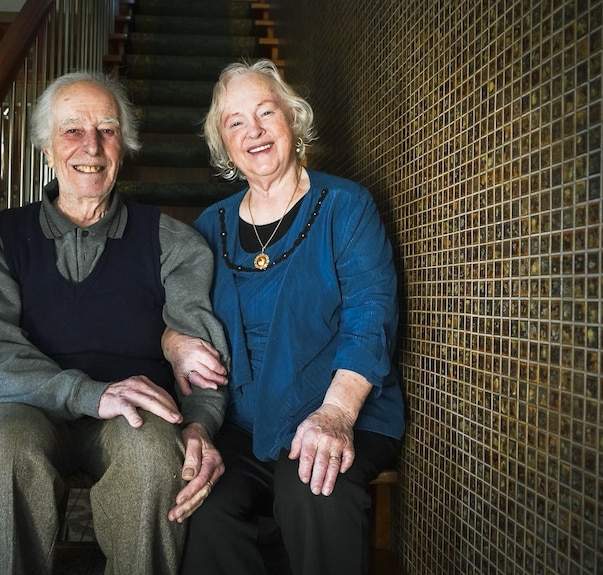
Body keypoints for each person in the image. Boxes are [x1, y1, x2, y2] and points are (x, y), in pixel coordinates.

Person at [0, 70, 231, 575]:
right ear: (46, 148)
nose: (92, 145)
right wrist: (90, 393)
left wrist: (201, 423)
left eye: (107, 129)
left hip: (135, 409)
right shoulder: (0, 241)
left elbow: (200, 351)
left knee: (155, 456)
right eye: (72, 130)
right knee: (2, 452)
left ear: (123, 146)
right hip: (29, 406)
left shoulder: (173, 243)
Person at [177, 59, 405, 575]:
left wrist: (336, 414)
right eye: (235, 122)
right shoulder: (209, 226)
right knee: (202, 505)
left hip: (341, 408)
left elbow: (371, 315)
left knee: (313, 487)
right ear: (224, 144)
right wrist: (174, 341)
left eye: (265, 112)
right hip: (243, 423)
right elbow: (177, 310)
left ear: (292, 121)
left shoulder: (345, 206)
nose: (253, 130)